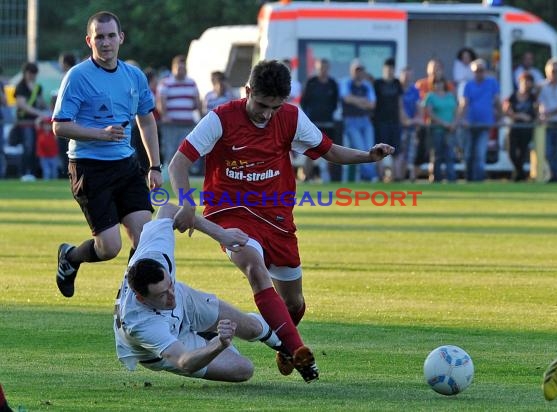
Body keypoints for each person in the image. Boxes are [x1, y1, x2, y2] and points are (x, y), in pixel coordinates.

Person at [168, 59, 395, 383]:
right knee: (255, 270)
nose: (266, 114)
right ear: (248, 91)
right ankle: (299, 351)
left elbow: (327, 150)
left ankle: (285, 343)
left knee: (294, 303)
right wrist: (188, 203)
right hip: (230, 212)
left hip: (276, 217)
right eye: (260, 105)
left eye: (274, 107)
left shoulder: (289, 118)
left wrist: (367, 156)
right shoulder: (220, 118)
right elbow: (178, 163)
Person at [52, 11, 162, 298]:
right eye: (99, 37)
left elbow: (147, 120)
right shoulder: (77, 77)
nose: (106, 42)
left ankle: (128, 297)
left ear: (121, 38)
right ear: (89, 40)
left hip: (126, 166)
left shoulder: (134, 76)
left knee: (145, 237)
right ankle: (70, 257)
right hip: (89, 168)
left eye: (111, 35)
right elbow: (59, 126)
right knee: (109, 248)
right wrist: (100, 134)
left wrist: (155, 166)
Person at [114, 202, 284, 382]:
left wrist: (221, 234)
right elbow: (184, 362)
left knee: (252, 328)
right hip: (169, 342)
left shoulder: (155, 253)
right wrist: (219, 344)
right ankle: (208, 337)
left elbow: (170, 210)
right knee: (243, 369)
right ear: (141, 298)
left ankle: (286, 348)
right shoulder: (141, 323)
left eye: (169, 285)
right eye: (162, 295)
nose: (171, 297)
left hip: (186, 301)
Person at [458, 58, 501, 182]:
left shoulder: (492, 83)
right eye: (476, 71)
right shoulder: (468, 85)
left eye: (481, 70)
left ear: (485, 71)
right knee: (468, 153)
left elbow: (497, 102)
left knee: (480, 153)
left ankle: (479, 179)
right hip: (469, 124)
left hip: (485, 123)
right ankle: (469, 178)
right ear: (472, 72)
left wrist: (501, 117)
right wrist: (461, 119)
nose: (479, 73)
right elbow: (464, 104)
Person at [300, 58, 340, 182]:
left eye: (325, 67)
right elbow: (303, 102)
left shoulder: (332, 83)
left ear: (328, 68)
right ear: (317, 68)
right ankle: (307, 177)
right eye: (320, 67)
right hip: (313, 123)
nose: (323, 70)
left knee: (330, 151)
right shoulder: (311, 82)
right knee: (310, 152)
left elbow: (335, 103)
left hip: (328, 123)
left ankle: (329, 178)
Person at [156, 55, 201, 166]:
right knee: (170, 150)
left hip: (187, 123)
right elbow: (160, 101)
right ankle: (167, 172)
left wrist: (200, 116)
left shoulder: (192, 83)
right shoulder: (165, 83)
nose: (181, 70)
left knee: (186, 150)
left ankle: (186, 174)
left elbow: (197, 101)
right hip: (171, 124)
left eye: (183, 67)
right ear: (173, 68)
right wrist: (164, 115)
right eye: (179, 67)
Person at [339, 58, 377, 181]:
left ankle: (368, 177)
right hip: (351, 121)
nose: (359, 72)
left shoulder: (367, 85)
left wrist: (355, 101)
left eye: (361, 70)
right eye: (356, 70)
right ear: (351, 71)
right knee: (361, 149)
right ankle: (371, 176)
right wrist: (362, 101)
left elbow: (372, 104)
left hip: (366, 121)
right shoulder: (346, 82)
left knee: (371, 149)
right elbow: (346, 98)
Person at [372, 57, 407, 182]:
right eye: (388, 69)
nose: (390, 71)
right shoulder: (377, 83)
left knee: (396, 151)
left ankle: (396, 177)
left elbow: (400, 103)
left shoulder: (397, 83)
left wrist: (403, 118)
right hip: (380, 122)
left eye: (392, 69)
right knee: (380, 150)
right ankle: (381, 176)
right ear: (383, 69)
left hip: (395, 122)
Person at [14, 61, 49, 182]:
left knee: (35, 148)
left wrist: (48, 108)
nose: (32, 76)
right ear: (26, 73)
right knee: (27, 147)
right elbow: (22, 105)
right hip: (24, 123)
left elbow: (41, 102)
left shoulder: (37, 87)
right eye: (31, 73)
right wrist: (39, 113)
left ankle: (33, 173)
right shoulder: (20, 86)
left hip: (36, 123)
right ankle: (24, 173)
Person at [503, 72, 537, 182]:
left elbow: (537, 112)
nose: (526, 84)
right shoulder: (513, 96)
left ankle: (518, 176)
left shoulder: (533, 98)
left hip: (526, 130)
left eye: (529, 82)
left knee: (522, 154)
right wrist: (520, 115)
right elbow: (507, 110)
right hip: (514, 128)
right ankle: (521, 173)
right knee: (511, 153)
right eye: (524, 81)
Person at [423, 78, 458, 183]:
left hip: (450, 130)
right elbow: (429, 113)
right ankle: (436, 179)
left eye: (440, 83)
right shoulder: (430, 96)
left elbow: (456, 111)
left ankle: (451, 178)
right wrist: (443, 123)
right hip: (436, 130)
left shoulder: (450, 96)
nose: (439, 85)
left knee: (450, 155)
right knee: (437, 155)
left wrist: (453, 124)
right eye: (436, 83)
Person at [52, 53, 77, 179]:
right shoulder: (78, 74)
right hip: (74, 123)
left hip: (68, 121)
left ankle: (67, 171)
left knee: (64, 148)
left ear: (65, 63)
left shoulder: (70, 76)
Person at [399, 66, 422, 182]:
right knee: (401, 153)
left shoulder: (415, 89)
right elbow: (399, 108)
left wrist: (417, 120)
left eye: (409, 75)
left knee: (412, 153)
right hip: (400, 127)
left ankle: (412, 178)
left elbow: (419, 107)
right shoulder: (398, 88)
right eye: (405, 75)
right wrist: (406, 120)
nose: (407, 78)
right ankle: (400, 177)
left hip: (412, 126)